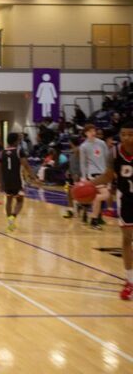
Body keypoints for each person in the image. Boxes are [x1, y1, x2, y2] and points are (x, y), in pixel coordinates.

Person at [90, 120, 133, 300]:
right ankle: (129, 281)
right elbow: (108, 175)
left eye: (130, 134)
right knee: (127, 238)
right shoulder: (114, 152)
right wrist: (89, 184)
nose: (126, 137)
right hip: (126, 199)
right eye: (123, 134)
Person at [0, 132, 36, 232]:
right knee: (20, 201)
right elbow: (26, 165)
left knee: (9, 201)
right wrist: (34, 177)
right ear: (15, 141)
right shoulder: (19, 151)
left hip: (7, 180)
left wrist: (0, 182)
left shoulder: (2, 152)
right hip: (17, 180)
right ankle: (13, 216)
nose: (19, 141)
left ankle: (9, 222)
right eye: (18, 140)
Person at [81, 124, 110, 230]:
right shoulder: (84, 146)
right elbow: (83, 163)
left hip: (103, 173)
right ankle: (93, 217)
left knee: (98, 199)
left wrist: (109, 172)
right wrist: (84, 177)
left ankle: (93, 219)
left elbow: (107, 158)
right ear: (86, 133)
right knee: (105, 195)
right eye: (90, 131)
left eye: (94, 130)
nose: (93, 133)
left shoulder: (102, 143)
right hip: (93, 174)